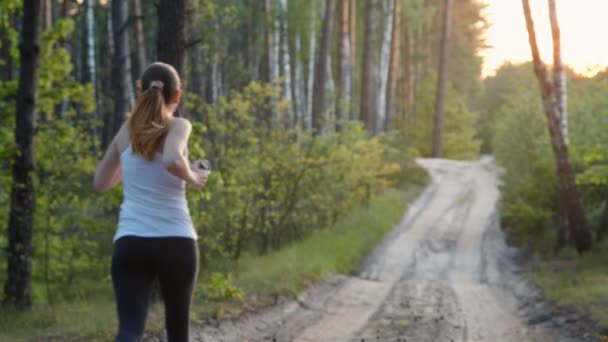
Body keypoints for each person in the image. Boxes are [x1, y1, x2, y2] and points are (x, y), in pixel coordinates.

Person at [93, 62, 208, 342]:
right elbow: (170, 158)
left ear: (140, 91)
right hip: (176, 240)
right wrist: (194, 176)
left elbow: (100, 184)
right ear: (176, 96)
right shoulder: (179, 124)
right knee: (178, 331)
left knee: (130, 330)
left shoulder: (125, 131)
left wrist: (132, 169)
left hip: (131, 241)